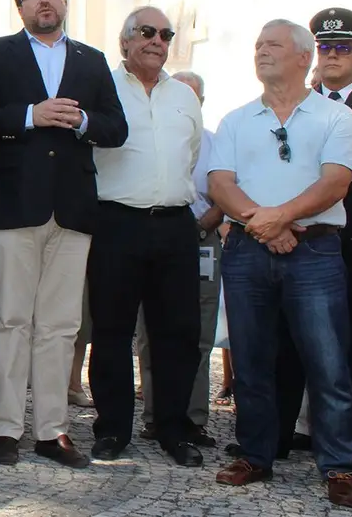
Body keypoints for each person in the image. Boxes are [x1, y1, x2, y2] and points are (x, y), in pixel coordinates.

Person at [0, 0, 128, 469]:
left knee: (60, 325)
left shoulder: (92, 60)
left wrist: (81, 120)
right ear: (20, 7)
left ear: (64, 2)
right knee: (11, 320)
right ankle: (7, 429)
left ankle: (52, 431)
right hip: (15, 206)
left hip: (74, 209)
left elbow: (116, 127)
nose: (44, 1)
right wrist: (27, 116)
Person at [209, 19, 352, 508]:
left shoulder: (335, 119)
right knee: (251, 361)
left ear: (303, 57)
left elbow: (336, 182)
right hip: (249, 251)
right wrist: (264, 224)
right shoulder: (236, 119)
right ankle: (256, 455)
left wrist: (280, 218)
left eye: (272, 44)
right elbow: (220, 183)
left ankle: (339, 464)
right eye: (257, 45)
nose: (260, 51)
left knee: (328, 361)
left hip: (315, 251)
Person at [272, 8, 352, 467]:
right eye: (325, 47)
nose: (333, 56)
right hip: (299, 241)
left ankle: (348, 437)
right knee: (288, 340)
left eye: (344, 47)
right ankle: (281, 432)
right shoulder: (288, 102)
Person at [85, 7, 203, 467]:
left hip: (174, 223)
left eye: (165, 34)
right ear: (125, 42)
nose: (158, 40)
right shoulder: (102, 88)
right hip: (117, 222)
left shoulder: (184, 96)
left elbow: (189, 156)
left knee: (178, 331)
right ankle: (112, 428)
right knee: (111, 331)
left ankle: (172, 428)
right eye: (147, 32)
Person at [135, 69, 223, 450]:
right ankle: (154, 415)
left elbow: (226, 192)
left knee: (198, 334)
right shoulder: (148, 136)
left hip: (202, 241)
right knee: (149, 334)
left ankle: (193, 418)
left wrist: (201, 225)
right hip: (154, 242)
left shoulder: (215, 143)